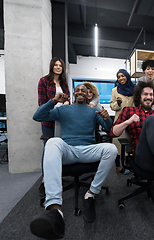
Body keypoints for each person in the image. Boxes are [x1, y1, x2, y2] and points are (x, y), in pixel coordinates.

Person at [30, 85, 117, 239]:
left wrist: (106, 118)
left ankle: (91, 194)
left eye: (84, 90)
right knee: (52, 142)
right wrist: (53, 101)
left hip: (88, 150)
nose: (80, 92)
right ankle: (55, 209)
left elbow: (109, 130)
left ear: (89, 95)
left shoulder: (93, 110)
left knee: (111, 149)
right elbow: (37, 117)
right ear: (73, 94)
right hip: (68, 150)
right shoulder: (63, 109)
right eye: (77, 90)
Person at [37, 57, 70, 196]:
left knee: (61, 148)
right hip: (49, 120)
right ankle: (45, 180)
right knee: (48, 150)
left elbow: (68, 98)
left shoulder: (63, 82)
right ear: (52, 67)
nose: (58, 67)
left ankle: (58, 177)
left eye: (60, 65)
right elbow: (41, 104)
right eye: (55, 65)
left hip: (62, 119)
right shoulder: (44, 81)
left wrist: (66, 103)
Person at [110, 69, 135, 174]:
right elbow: (112, 106)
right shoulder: (115, 90)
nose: (120, 78)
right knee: (118, 144)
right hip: (120, 120)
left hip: (133, 120)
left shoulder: (135, 89)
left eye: (122, 76)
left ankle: (129, 163)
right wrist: (118, 103)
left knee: (131, 142)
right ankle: (118, 165)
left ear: (127, 76)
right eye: (118, 77)